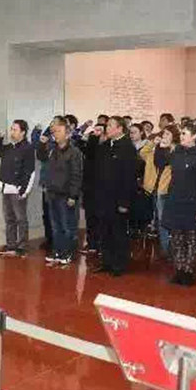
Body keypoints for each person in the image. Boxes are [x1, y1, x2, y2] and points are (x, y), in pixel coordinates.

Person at [162, 123, 196, 285]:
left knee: (191, 239)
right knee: (176, 238)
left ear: (194, 136)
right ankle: (179, 269)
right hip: (175, 201)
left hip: (192, 204)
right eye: (181, 133)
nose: (181, 136)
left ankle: (188, 272)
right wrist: (162, 147)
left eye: (184, 133)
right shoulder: (176, 153)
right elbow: (161, 163)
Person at [92, 117, 138, 277]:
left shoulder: (127, 148)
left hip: (118, 199)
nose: (107, 128)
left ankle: (119, 264)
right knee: (104, 231)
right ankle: (107, 261)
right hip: (103, 197)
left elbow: (129, 177)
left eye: (111, 125)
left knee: (118, 232)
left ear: (120, 129)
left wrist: (124, 202)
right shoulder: (106, 146)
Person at [36, 120, 83, 267]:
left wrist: (73, 195)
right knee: (55, 226)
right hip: (52, 193)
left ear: (67, 134)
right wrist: (42, 144)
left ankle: (67, 253)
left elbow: (76, 175)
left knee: (67, 226)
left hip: (66, 195)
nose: (55, 134)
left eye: (59, 131)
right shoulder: (52, 149)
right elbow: (41, 157)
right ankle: (57, 252)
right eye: (54, 131)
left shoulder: (74, 152)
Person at [0, 120, 36, 257]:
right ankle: (11, 244)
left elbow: (30, 171)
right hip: (6, 188)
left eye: (15, 130)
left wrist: (24, 190)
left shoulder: (28, 148)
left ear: (23, 132)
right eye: (11, 129)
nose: (12, 132)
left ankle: (22, 246)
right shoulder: (9, 148)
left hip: (18, 189)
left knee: (21, 219)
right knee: (9, 218)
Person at [152, 125, 180, 258]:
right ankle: (165, 249)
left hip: (176, 189)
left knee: (174, 220)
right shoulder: (161, 148)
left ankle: (175, 249)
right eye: (163, 134)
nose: (164, 136)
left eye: (168, 134)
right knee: (162, 220)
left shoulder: (179, 149)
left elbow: (175, 164)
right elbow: (158, 163)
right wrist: (159, 147)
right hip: (162, 188)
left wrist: (169, 149)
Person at [79, 122, 105, 255]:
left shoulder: (108, 148)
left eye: (100, 130)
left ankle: (101, 245)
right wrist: (91, 137)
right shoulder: (90, 146)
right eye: (95, 130)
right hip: (89, 188)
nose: (97, 133)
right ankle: (91, 243)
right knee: (90, 218)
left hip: (103, 189)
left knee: (101, 219)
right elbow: (87, 151)